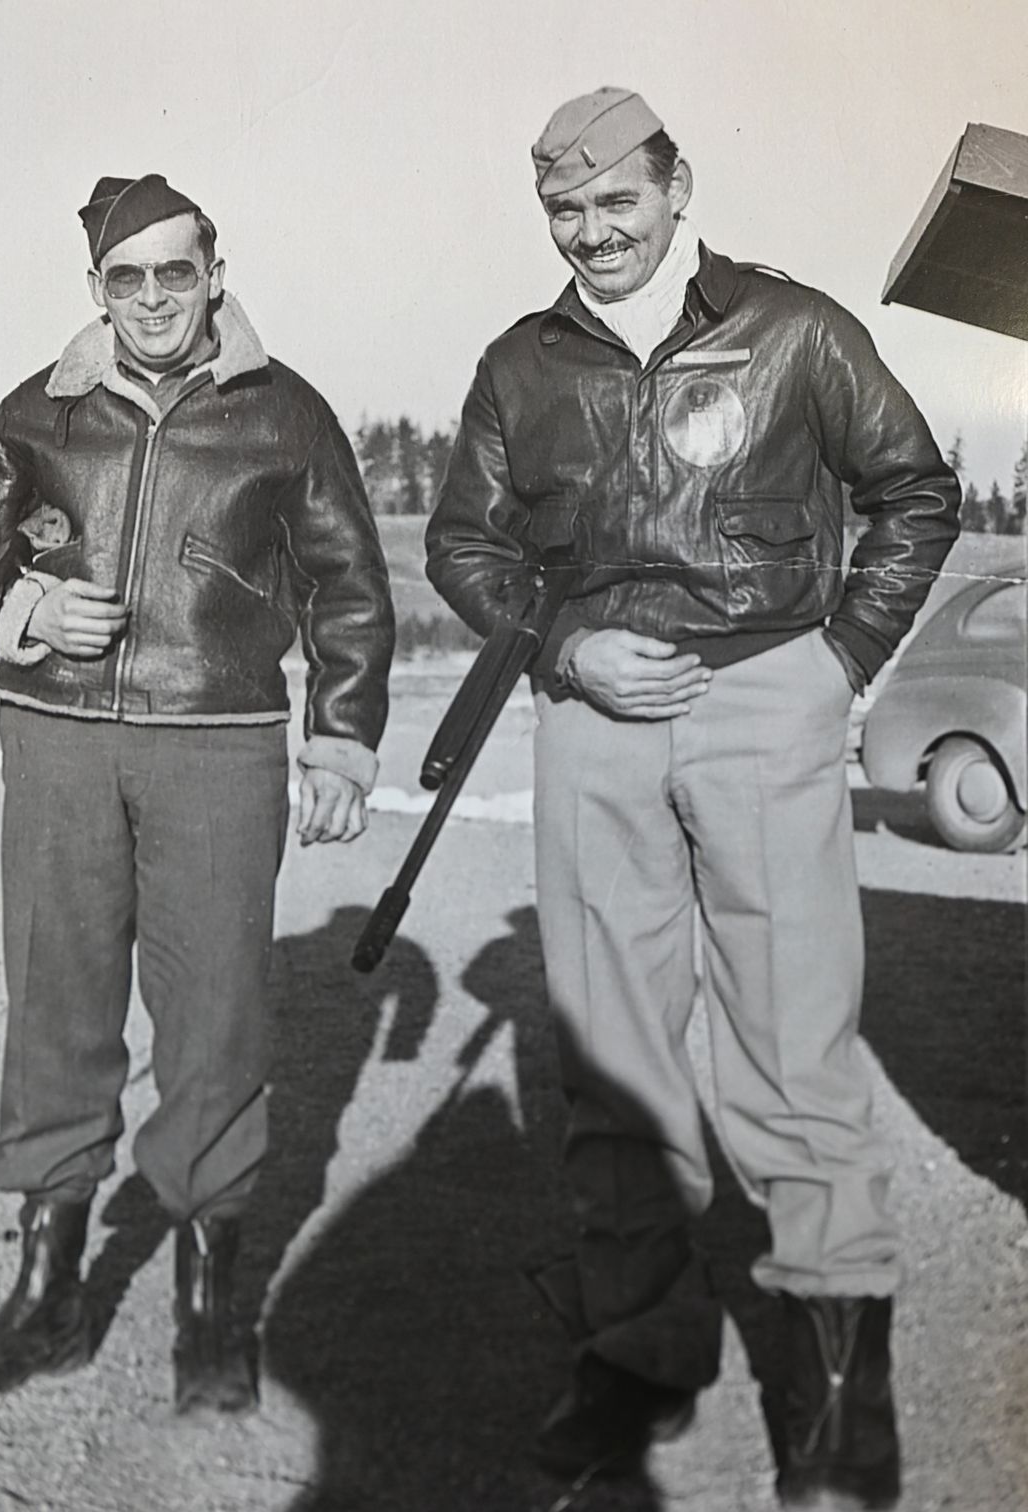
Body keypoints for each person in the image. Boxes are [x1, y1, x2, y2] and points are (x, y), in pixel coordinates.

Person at [426, 89, 959, 1507]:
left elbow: (915, 490)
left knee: (795, 1051)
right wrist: (562, 643)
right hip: (592, 721)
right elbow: (463, 544)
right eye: (566, 212)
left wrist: (834, 663)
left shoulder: (795, 331)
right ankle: (640, 1353)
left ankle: (842, 1394)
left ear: (676, 189)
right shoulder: (520, 365)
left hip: (766, 704)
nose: (595, 234)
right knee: (613, 1054)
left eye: (618, 204)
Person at [0, 174, 394, 1414]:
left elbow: (348, 586)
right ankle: (49, 1294)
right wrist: (22, 608)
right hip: (59, 742)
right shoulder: (43, 411)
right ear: (97, 293)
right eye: (128, 278)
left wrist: (340, 739)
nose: (154, 299)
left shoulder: (283, 414)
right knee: (57, 1003)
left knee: (217, 1021)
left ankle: (208, 1308)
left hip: (220, 743)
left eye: (177, 272)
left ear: (215, 275)